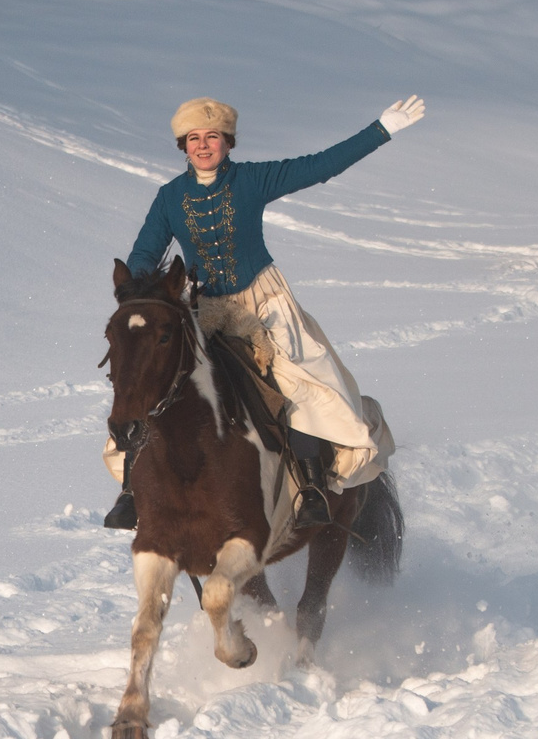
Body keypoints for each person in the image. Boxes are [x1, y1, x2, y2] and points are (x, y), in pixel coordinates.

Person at [106, 94, 424, 532]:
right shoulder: (170, 198)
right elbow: (145, 251)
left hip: (263, 304)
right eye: (193, 138)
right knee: (152, 382)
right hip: (201, 310)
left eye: (212, 137)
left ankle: (312, 487)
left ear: (228, 142)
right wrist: (141, 294)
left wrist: (381, 129)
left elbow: (319, 166)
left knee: (303, 383)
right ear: (183, 145)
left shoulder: (252, 181)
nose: (203, 146)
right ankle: (133, 490)